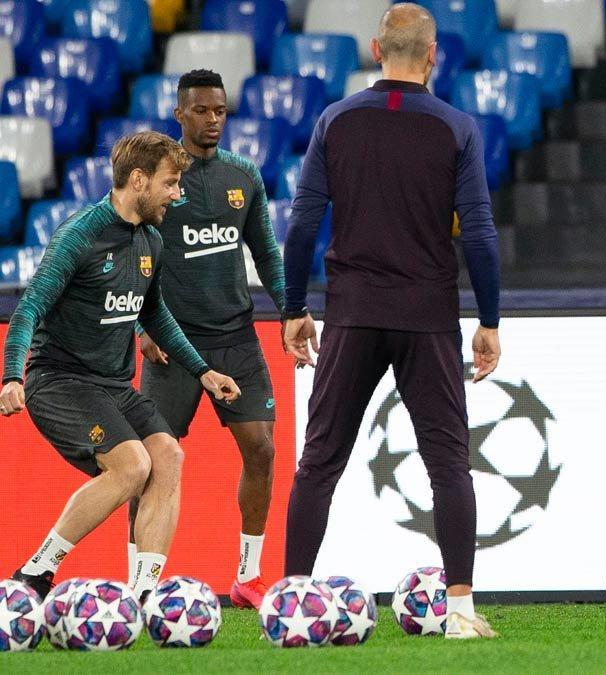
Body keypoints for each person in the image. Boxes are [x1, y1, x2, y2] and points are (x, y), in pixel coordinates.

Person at [281, 4, 501, 639]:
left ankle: (294, 602)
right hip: (428, 316)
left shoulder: (335, 120)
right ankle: (459, 611)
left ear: (376, 49)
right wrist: (489, 318)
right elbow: (480, 236)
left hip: (351, 311)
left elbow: (300, 226)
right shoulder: (456, 127)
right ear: (434, 55)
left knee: (319, 461)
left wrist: (295, 308)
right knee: (449, 464)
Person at [2, 132, 240, 600]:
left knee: (168, 456)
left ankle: (142, 595)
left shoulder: (152, 239)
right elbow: (29, 307)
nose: (178, 193)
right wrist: (12, 374)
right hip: (59, 380)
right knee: (132, 466)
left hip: (114, 384)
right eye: (171, 184)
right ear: (138, 180)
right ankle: (35, 573)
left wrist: (204, 372)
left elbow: (154, 315)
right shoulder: (80, 235)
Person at [130, 69, 286, 609]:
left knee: (262, 450)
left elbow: (265, 251)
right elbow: (130, 255)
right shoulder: (156, 180)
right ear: (179, 114)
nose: (212, 119)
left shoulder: (243, 175)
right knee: (150, 461)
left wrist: (292, 310)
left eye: (220, 110)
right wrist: (140, 325)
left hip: (236, 340)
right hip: (173, 344)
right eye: (201, 110)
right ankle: (141, 583)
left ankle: (248, 574)